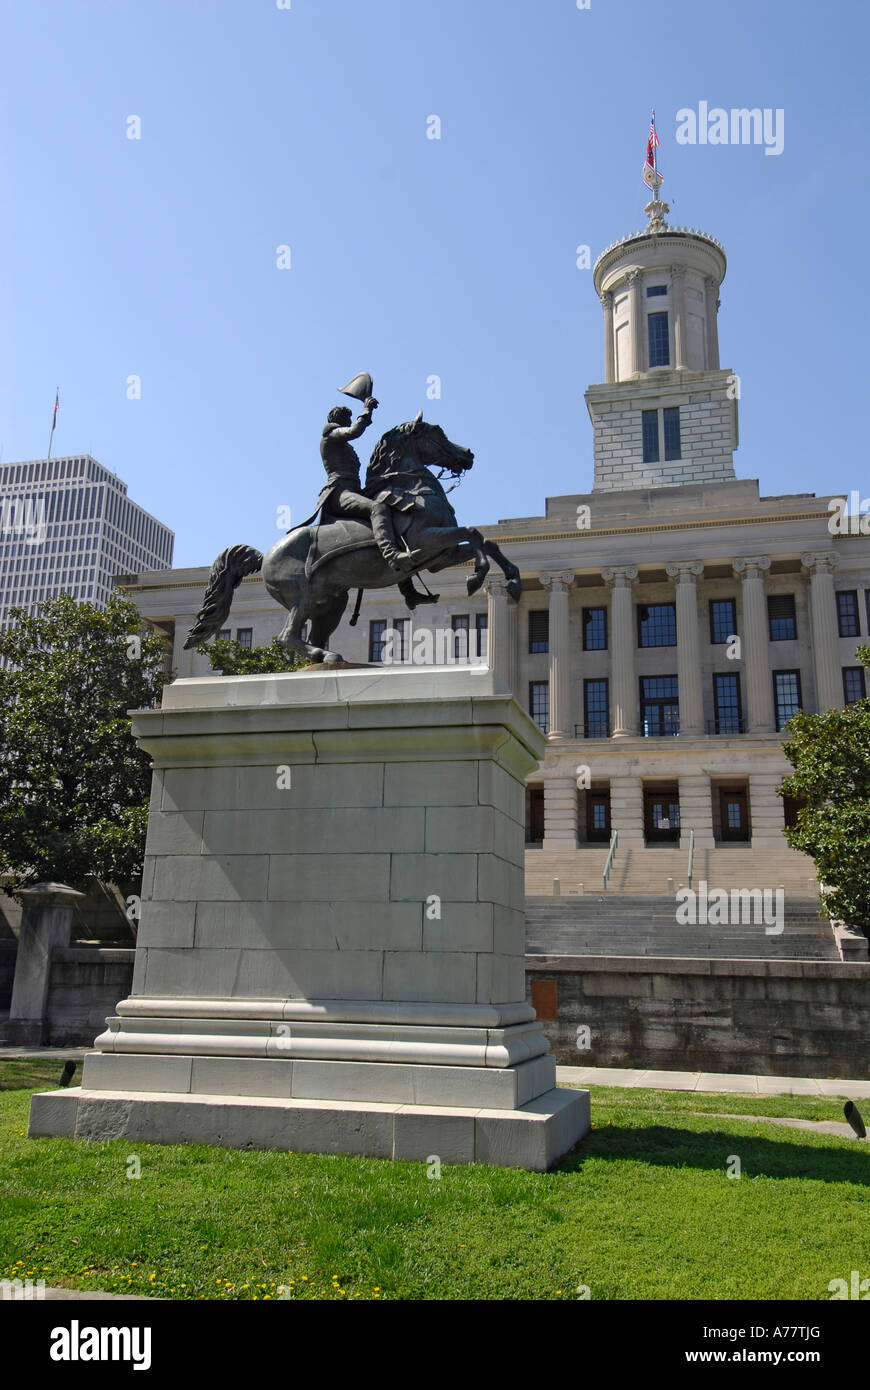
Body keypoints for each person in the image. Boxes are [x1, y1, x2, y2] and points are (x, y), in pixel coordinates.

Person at [307, 396, 405, 570]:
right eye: (347, 420)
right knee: (377, 508)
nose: (349, 423)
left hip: (353, 490)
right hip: (339, 492)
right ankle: (392, 555)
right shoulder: (330, 435)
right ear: (340, 421)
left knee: (395, 511)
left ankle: (407, 587)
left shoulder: (343, 445)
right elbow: (354, 431)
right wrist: (367, 410)